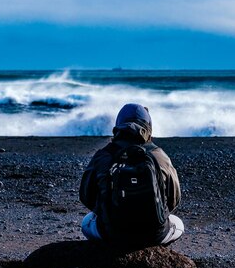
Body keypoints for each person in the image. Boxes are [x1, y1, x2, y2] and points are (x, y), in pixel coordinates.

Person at [79, 103, 184, 248]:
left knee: (86, 222)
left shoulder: (103, 155)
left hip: (111, 233)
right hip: (154, 235)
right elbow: (174, 199)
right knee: (178, 224)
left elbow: (86, 196)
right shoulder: (159, 156)